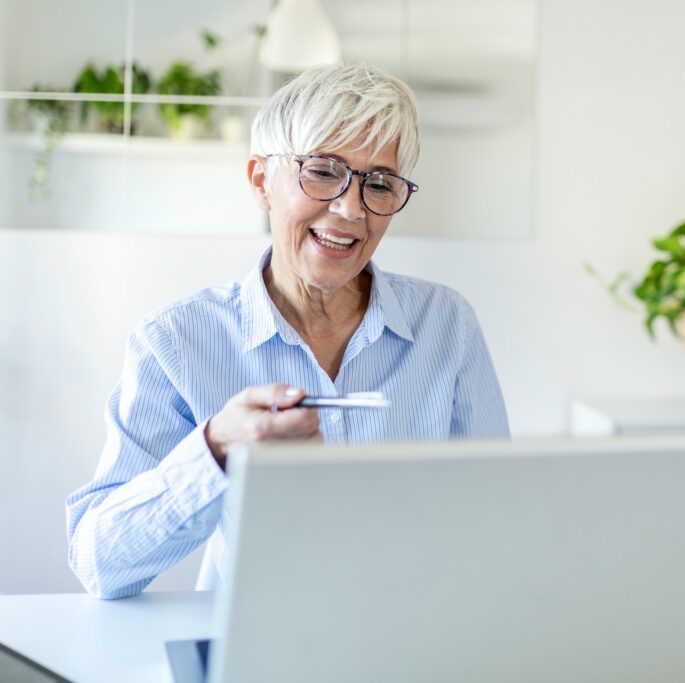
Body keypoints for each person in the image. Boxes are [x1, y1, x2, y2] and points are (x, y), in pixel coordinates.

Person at [65, 64, 509, 599]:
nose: (350, 209)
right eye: (322, 170)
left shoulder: (447, 324)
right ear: (261, 181)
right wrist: (216, 449)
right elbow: (99, 564)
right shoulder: (177, 341)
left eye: (380, 183)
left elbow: (496, 519)